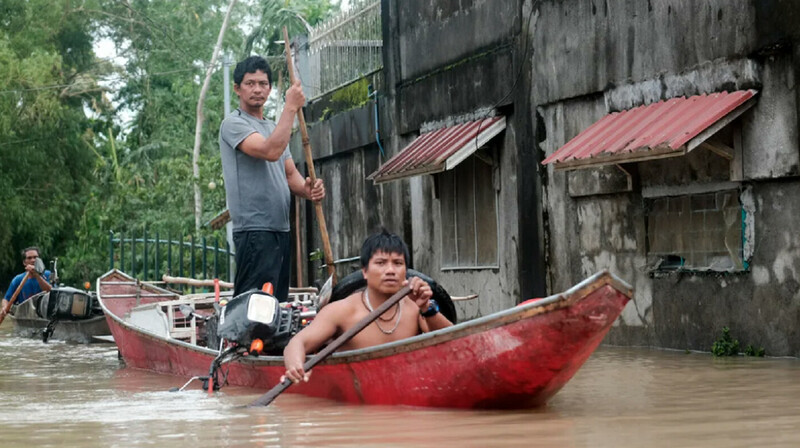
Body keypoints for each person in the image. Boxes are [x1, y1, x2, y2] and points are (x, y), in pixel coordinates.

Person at [282, 230, 453, 384]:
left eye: (398, 263)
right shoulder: (342, 311)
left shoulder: (415, 307)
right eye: (381, 263)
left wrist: (427, 307)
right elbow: (297, 343)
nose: (391, 270)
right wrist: (296, 366)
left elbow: (455, 344)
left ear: (406, 271)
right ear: (364, 271)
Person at [219, 55, 325, 302]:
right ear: (237, 88)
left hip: (280, 228)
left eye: (263, 83)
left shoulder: (273, 128)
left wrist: (309, 189)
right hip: (255, 230)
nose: (257, 89)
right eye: (250, 83)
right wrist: (290, 108)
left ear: (270, 88)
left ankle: (274, 343)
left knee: (276, 303)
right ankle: (246, 342)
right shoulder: (232, 124)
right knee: (254, 305)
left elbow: (290, 174)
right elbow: (270, 151)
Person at [1, 247, 52, 314]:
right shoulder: (18, 279)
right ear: (24, 263)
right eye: (29, 258)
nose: (33, 260)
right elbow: (6, 299)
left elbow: (51, 292)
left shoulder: (48, 274)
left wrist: (36, 275)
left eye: (35, 257)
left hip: (44, 313)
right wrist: (5, 307)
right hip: (26, 315)